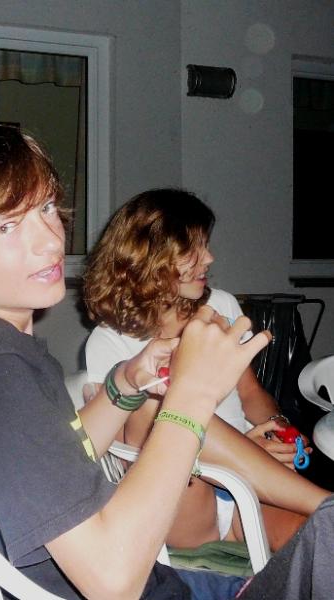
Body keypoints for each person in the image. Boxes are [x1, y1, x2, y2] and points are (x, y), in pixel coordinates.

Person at [0, 120, 333, 600]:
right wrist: (192, 395)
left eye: (46, 208)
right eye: (8, 225)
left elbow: (53, 457)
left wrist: (124, 386)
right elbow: (113, 582)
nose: (52, 240)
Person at [83, 188, 327, 551]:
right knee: (156, 403)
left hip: (249, 486)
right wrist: (245, 450)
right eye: (194, 249)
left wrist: (279, 431)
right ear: (151, 257)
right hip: (184, 496)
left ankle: (321, 510)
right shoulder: (108, 342)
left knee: (319, 542)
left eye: (206, 245)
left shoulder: (220, 307)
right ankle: (325, 503)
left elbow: (249, 393)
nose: (209, 258)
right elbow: (124, 452)